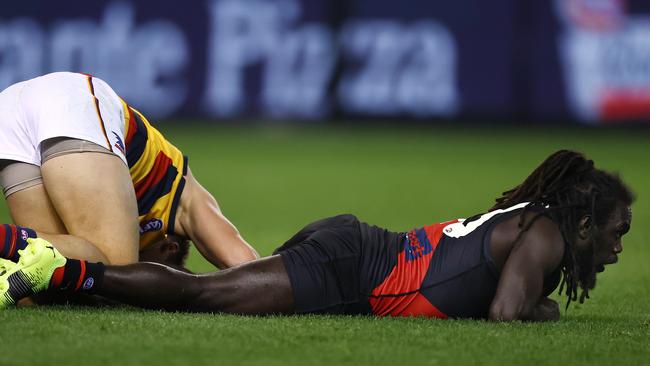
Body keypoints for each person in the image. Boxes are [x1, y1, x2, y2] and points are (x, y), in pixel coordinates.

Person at [0, 150, 634, 321]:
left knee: (212, 292)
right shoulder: (549, 237)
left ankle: (79, 281)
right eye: (616, 230)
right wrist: (542, 312)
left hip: (354, 247)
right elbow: (502, 313)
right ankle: (55, 268)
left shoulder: (533, 218)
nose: (618, 247)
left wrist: (540, 303)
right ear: (582, 221)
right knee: (204, 300)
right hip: (352, 269)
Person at [0, 72, 258, 269]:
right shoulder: (188, 197)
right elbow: (248, 267)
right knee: (116, 270)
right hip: (72, 101)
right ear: (169, 248)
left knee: (39, 273)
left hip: (10, 110)